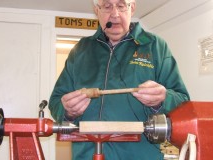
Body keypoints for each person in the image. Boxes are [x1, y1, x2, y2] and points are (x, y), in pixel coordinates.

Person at [49, 0, 190, 159]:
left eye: (121, 5)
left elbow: (183, 103)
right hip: (87, 155)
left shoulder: (155, 47)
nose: (115, 14)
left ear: (132, 8)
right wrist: (68, 112)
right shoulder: (80, 50)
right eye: (107, 6)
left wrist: (162, 100)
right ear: (97, 10)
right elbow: (55, 102)